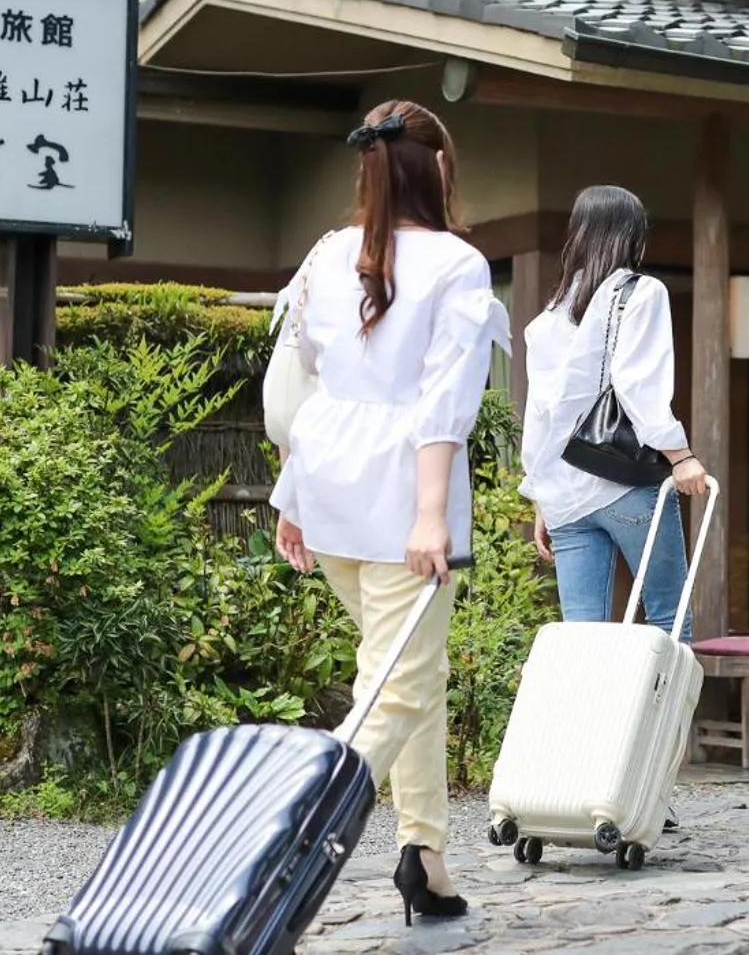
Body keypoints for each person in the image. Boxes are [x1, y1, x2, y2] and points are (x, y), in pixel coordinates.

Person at [269, 99, 509, 927]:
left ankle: (425, 857)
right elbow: (444, 404)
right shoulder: (457, 264)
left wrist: (291, 494)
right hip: (404, 499)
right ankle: (300, 822)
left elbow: (305, 378)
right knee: (399, 686)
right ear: (438, 167)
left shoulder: (327, 253)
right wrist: (431, 514)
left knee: (410, 672)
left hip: (329, 488)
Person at [519, 185, 712, 637]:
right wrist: (681, 456)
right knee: (668, 620)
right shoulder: (641, 292)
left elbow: (540, 414)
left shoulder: (548, 319)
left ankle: (587, 693)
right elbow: (637, 383)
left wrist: (541, 498)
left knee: (583, 637)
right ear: (632, 237)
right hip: (624, 484)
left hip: (564, 496)